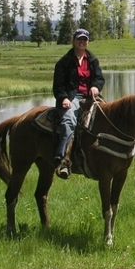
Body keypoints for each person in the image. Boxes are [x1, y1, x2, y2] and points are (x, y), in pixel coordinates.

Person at [53, 28, 105, 179]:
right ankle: (62, 159)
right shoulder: (64, 62)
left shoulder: (92, 60)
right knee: (68, 121)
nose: (82, 42)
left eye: (84, 39)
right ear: (73, 41)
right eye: (79, 39)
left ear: (88, 42)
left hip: (91, 97)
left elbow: (99, 78)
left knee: (108, 117)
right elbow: (58, 85)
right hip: (72, 97)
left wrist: (96, 86)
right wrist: (63, 98)